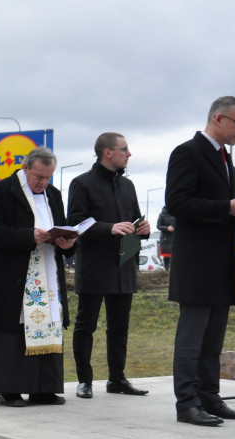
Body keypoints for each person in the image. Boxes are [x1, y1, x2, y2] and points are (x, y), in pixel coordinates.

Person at [166, 96, 235, 426]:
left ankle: (210, 398)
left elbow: (225, 209)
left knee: (212, 339)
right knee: (191, 340)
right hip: (196, 263)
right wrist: (227, 207)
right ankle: (187, 404)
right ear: (218, 118)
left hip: (220, 263)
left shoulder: (225, 157)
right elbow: (178, 203)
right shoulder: (187, 152)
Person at [0, 146, 76, 407]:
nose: (42, 183)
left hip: (48, 272)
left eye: (48, 177)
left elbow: (63, 227)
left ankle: (44, 388)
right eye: (38, 177)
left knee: (48, 325)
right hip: (14, 276)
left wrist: (68, 243)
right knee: (15, 329)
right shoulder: (1, 191)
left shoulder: (53, 195)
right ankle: (9, 389)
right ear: (25, 168)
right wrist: (28, 236)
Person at [68, 132, 151, 400]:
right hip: (94, 265)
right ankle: (84, 381)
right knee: (86, 325)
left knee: (120, 326)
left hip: (124, 264)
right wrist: (109, 228)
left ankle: (117, 379)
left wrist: (144, 229)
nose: (129, 154)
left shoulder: (128, 186)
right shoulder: (81, 184)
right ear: (107, 152)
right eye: (124, 149)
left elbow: (134, 219)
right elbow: (76, 223)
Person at [157, 206, 175, 271]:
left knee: (175, 255)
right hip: (165, 238)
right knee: (166, 256)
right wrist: (167, 228)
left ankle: (173, 270)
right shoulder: (162, 215)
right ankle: (166, 269)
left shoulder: (176, 213)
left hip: (175, 237)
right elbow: (158, 226)